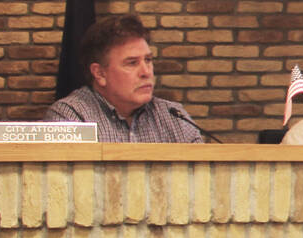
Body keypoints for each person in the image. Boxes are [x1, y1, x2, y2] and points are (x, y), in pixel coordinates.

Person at [44, 14, 205, 142]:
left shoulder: (173, 116)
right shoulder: (71, 117)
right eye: (132, 63)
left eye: (148, 60)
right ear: (100, 73)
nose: (146, 72)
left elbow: (201, 178)